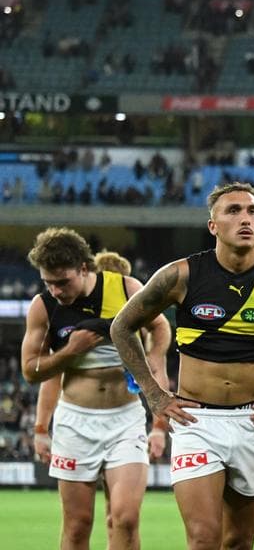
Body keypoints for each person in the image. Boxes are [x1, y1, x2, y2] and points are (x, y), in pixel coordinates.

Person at [110, 182, 254, 550]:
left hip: (253, 422)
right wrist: (153, 394)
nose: (245, 218)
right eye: (233, 211)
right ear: (213, 226)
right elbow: (121, 326)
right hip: (197, 422)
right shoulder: (181, 275)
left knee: (238, 542)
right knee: (204, 539)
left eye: (253, 211)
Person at [21, 229, 169, 550]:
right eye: (49, 282)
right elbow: (31, 371)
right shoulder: (43, 306)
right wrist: (70, 352)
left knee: (125, 518)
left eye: (63, 282)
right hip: (75, 423)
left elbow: (160, 326)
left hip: (125, 420)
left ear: (85, 269)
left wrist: (155, 356)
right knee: (77, 527)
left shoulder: (127, 288)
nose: (55, 290)